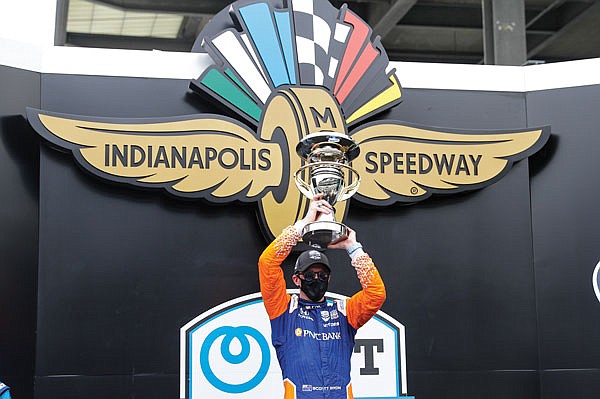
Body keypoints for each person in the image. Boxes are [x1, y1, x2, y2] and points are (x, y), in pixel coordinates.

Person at [258, 195, 386, 398]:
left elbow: (375, 294)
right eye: (310, 275)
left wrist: (354, 248)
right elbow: (267, 263)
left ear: (329, 278)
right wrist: (303, 224)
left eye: (322, 275)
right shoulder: (283, 310)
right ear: (297, 279)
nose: (317, 279)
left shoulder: (345, 312)